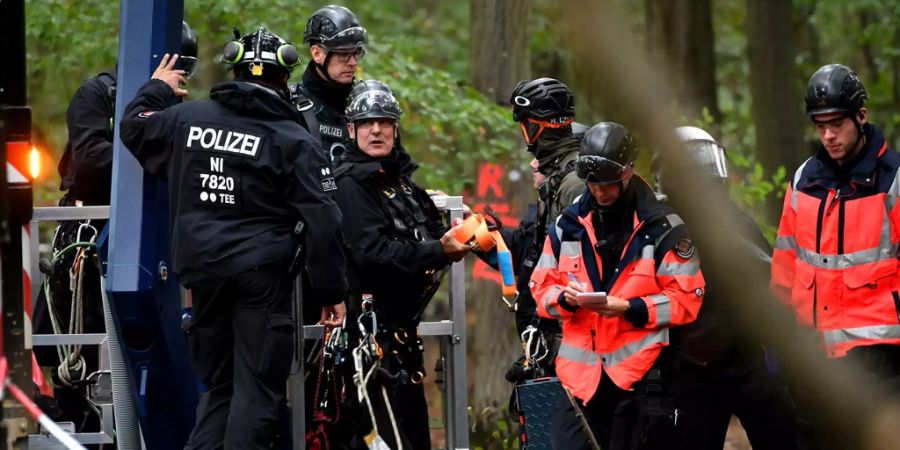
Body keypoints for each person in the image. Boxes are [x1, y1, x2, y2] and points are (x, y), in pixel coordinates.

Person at [119, 27, 347, 448]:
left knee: (220, 389)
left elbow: (134, 127)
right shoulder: (291, 138)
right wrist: (332, 289)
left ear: (234, 70)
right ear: (283, 79)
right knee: (256, 391)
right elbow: (324, 219)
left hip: (202, 276)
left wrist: (156, 89)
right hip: (262, 279)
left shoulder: (187, 119)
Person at [32, 21, 198, 432]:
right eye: (176, 67)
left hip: (161, 239)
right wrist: (146, 142)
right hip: (89, 239)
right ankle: (81, 420)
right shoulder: (97, 94)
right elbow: (89, 160)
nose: (181, 78)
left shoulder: (182, 111)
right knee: (78, 347)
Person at [530, 122, 705, 449]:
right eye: (592, 183)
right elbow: (541, 288)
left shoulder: (665, 228)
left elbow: (687, 299)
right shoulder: (567, 225)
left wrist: (631, 308)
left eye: (607, 183)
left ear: (628, 172)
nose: (599, 192)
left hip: (641, 382)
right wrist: (565, 300)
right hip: (580, 383)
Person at [330, 80, 470, 450]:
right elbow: (371, 254)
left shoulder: (403, 183)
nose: (376, 130)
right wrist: (439, 250)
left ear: (395, 129)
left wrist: (465, 230)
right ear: (351, 130)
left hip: (404, 341)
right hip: (369, 340)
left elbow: (436, 233)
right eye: (367, 123)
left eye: (384, 122)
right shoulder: (351, 186)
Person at [771, 63, 900, 449]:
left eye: (837, 124)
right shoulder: (803, 181)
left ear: (861, 117)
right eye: (820, 125)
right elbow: (785, 266)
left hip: (881, 361)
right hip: (814, 357)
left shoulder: (893, 180)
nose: (828, 135)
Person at [654, 126, 800, 450]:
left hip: (747, 357)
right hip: (690, 368)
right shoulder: (660, 235)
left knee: (784, 435)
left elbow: (774, 285)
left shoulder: (738, 225)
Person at [292, 4, 367, 161]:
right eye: (344, 54)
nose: (353, 62)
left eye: (356, 53)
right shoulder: (289, 106)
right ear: (317, 54)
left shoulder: (365, 105)